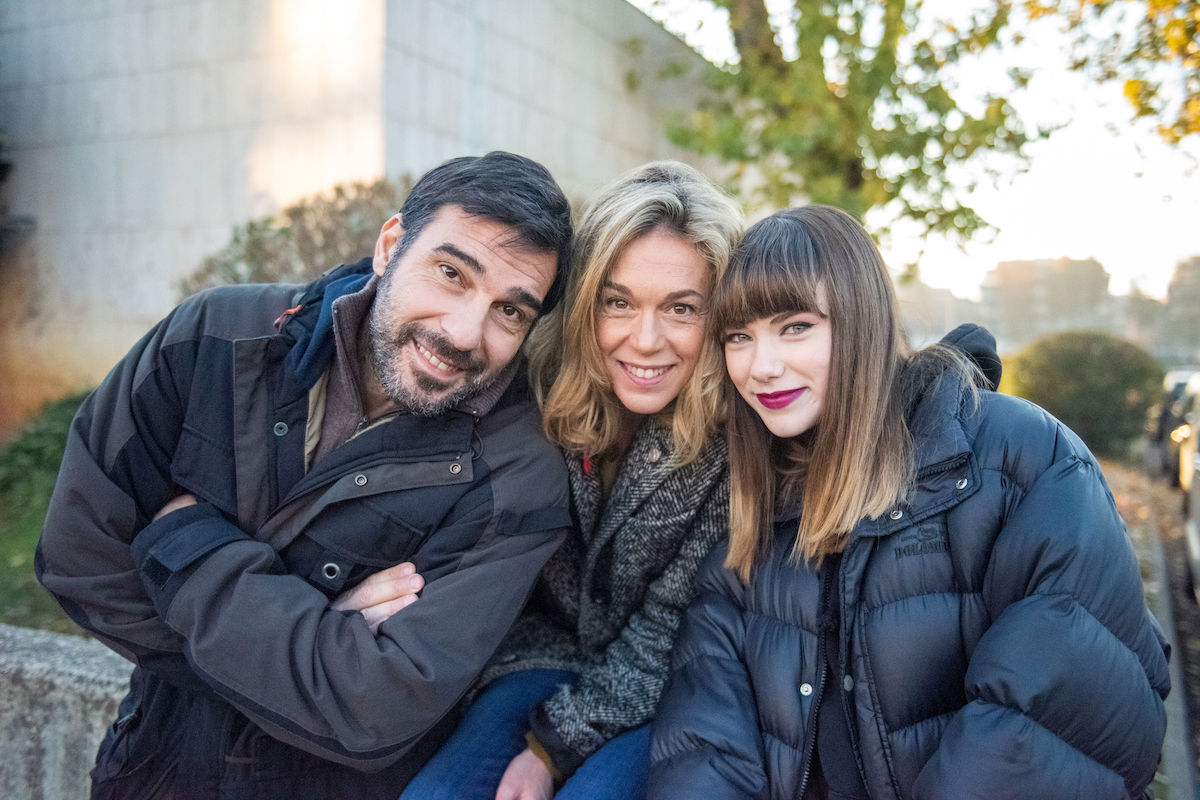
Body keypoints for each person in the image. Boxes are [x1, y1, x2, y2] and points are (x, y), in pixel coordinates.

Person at [36, 151, 576, 799]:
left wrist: (185, 552)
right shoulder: (212, 337)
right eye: (451, 273)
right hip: (151, 770)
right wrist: (319, 633)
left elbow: (374, 710)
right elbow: (78, 559)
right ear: (389, 246)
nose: (465, 332)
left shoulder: (518, 475)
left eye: (510, 311)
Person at [648, 205, 1171, 799]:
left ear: (863, 322)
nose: (761, 367)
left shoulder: (1016, 457)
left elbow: (1054, 714)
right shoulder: (750, 518)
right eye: (739, 337)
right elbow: (704, 747)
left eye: (795, 326)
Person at [399, 161, 744, 800]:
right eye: (619, 302)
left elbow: (669, 630)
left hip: (672, 683)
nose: (645, 340)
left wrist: (550, 749)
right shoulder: (534, 386)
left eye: (682, 308)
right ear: (587, 304)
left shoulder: (733, 440)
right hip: (541, 654)